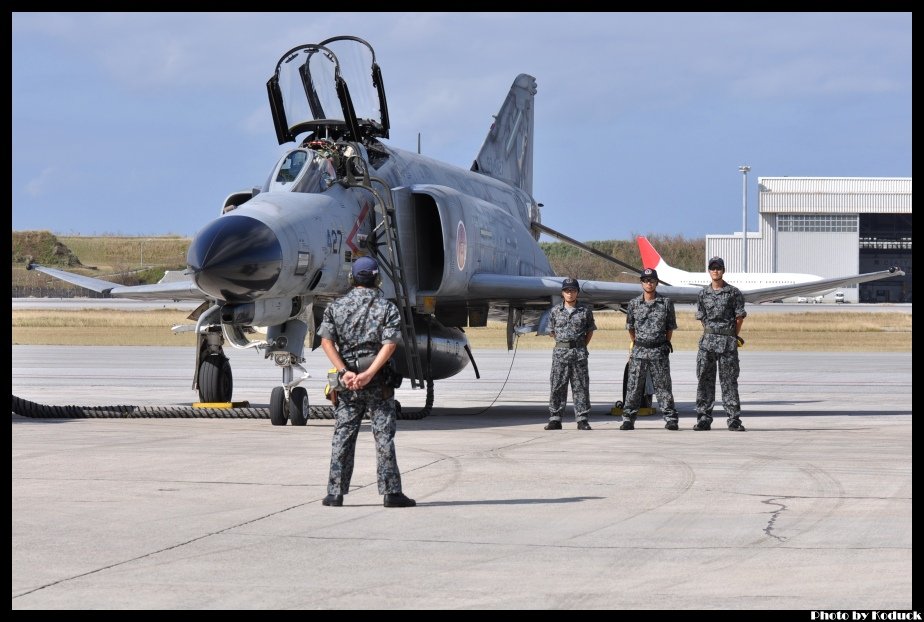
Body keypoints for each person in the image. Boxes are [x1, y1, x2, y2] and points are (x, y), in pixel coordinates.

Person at [317, 256, 416, 507]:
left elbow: (326, 342)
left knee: (343, 435)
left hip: (348, 383)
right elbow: (390, 344)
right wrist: (370, 373)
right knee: (383, 437)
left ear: (352, 278)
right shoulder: (387, 308)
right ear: (377, 279)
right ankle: (391, 493)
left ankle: (335, 493)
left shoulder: (335, 307)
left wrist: (344, 372)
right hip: (378, 382)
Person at [620, 268, 679, 431]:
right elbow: (630, 327)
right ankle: (628, 419)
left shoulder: (666, 303)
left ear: (656, 283)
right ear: (641, 283)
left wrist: (666, 342)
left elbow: (670, 326)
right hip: (640, 351)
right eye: (646, 280)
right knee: (634, 387)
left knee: (664, 387)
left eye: (652, 280)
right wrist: (637, 342)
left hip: (659, 350)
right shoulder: (633, 304)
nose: (649, 283)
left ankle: (670, 418)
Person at [694, 256, 748, 432]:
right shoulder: (703, 294)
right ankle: (703, 418)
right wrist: (712, 333)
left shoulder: (733, 293)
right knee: (704, 381)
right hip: (708, 343)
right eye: (712, 268)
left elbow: (739, 317)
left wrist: (731, 336)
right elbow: (702, 318)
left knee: (729, 381)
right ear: (709, 271)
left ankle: (733, 419)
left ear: (723, 271)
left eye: (718, 268)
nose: (715, 271)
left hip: (727, 343)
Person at [545, 277, 596, 430]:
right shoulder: (555, 311)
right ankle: (555, 418)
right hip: (560, 354)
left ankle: (582, 419)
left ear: (577, 293)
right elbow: (551, 332)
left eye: (573, 290)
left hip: (578, 354)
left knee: (580, 386)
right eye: (567, 291)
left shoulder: (585, 311)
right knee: (557, 386)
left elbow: (589, 331)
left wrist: (579, 346)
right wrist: (564, 344)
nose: (570, 293)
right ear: (562, 293)